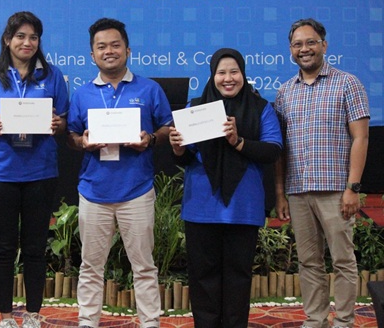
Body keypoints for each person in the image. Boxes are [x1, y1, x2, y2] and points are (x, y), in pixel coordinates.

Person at [67, 18, 171, 328]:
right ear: (92, 55)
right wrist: (82, 142)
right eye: (101, 47)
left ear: (128, 50)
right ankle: (88, 322)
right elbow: (72, 136)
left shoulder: (149, 89)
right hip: (93, 191)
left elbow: (167, 127)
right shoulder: (82, 94)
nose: (109, 51)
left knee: (144, 266)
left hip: (136, 190)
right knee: (90, 266)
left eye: (115, 45)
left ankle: (150, 322)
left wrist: (150, 139)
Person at [0, 11, 69, 328]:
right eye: (21, 36)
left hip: (41, 172)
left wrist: (57, 123)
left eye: (33, 37)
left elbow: (64, 120)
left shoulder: (52, 76)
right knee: (4, 248)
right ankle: (6, 316)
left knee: (36, 248)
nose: (27, 42)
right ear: (7, 40)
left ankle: (34, 314)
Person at [169, 48, 282, 327]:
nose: (228, 78)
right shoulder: (196, 107)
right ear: (212, 76)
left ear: (243, 74)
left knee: (238, 279)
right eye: (221, 72)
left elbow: (272, 150)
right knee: (202, 278)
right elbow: (186, 157)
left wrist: (238, 141)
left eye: (234, 72)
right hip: (201, 208)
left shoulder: (261, 108)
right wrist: (178, 148)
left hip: (243, 209)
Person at [275, 18, 370, 328]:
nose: (304, 49)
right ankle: (316, 320)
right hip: (298, 191)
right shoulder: (284, 92)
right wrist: (280, 193)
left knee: (343, 260)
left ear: (324, 45)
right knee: (309, 262)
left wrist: (353, 188)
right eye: (297, 44)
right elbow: (280, 148)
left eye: (310, 42)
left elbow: (360, 138)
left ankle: (343, 321)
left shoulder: (348, 83)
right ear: (291, 50)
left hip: (336, 190)